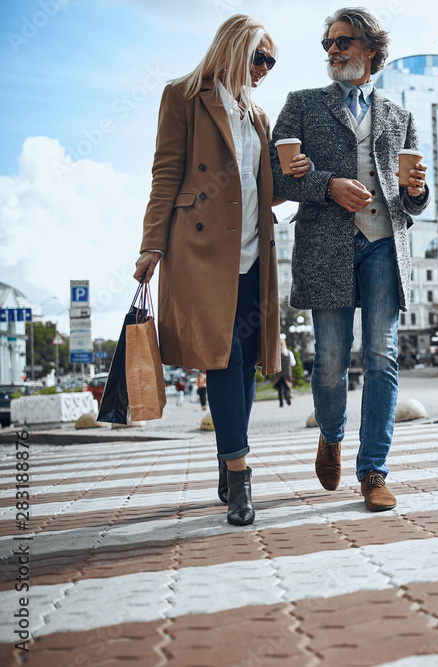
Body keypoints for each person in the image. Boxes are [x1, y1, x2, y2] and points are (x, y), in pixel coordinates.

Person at [133, 14, 311, 526]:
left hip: (255, 250)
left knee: (246, 359)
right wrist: (151, 246)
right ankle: (240, 475)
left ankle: (228, 455)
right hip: (201, 252)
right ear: (234, 49)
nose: (266, 70)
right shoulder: (183, 96)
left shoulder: (257, 115)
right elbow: (166, 172)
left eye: (273, 62)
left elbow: (262, 187)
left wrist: (292, 177)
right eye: (260, 58)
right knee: (221, 355)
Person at [270, 8, 429, 512]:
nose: (333, 51)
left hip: (384, 243)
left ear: (371, 51)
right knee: (332, 360)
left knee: (382, 357)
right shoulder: (301, 105)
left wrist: (417, 191)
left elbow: (414, 200)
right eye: (330, 44)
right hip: (327, 247)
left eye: (343, 42)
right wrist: (327, 186)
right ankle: (332, 435)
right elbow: (275, 182)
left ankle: (374, 471)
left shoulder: (400, 117)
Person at [274, 335, 295, 407]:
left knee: (280, 389)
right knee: (287, 387)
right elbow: (293, 363)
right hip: (287, 373)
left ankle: (281, 402)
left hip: (279, 373)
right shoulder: (289, 353)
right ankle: (287, 397)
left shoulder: (276, 353)